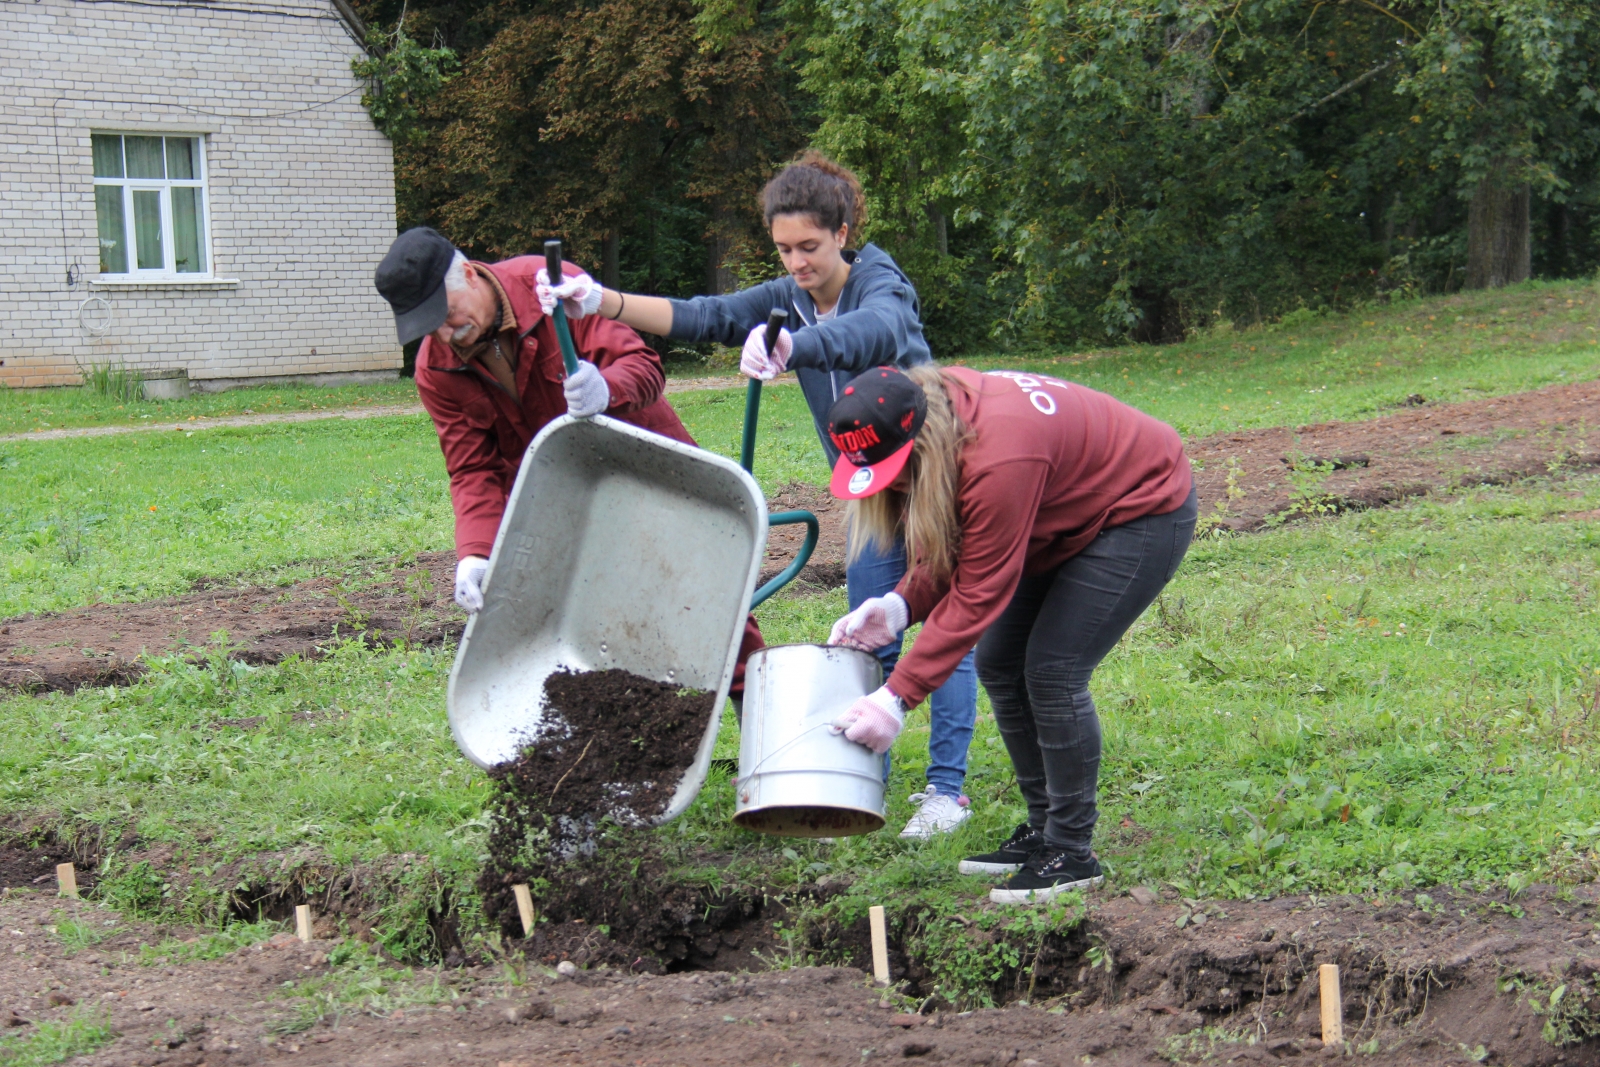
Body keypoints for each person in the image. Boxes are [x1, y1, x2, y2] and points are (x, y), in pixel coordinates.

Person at [536, 153, 981, 839]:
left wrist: (793, 348)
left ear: (842, 230)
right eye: (784, 249)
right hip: (869, 496)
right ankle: (867, 781)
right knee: (872, 634)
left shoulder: (879, 284)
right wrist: (602, 300)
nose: (798, 262)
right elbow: (704, 315)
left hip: (928, 485)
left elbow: (875, 334)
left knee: (946, 632)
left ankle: (946, 792)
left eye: (809, 246)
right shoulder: (789, 296)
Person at [823, 366, 1197, 904]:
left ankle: (1071, 851)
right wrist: (899, 605)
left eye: (899, 473)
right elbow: (961, 542)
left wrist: (895, 699)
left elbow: (979, 590)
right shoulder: (938, 415)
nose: (898, 487)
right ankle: (1044, 830)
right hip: (1058, 510)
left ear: (921, 442)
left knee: (1053, 670)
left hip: (1138, 507)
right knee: (1000, 662)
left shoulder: (999, 457)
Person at [373, 226, 762, 689]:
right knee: (601, 629)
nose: (444, 332)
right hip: (566, 501)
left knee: (714, 600)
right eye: (428, 325)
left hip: (650, 470)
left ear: (469, 274)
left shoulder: (552, 289)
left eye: (445, 312)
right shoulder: (436, 370)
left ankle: (760, 734)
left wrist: (607, 388)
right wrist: (474, 552)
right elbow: (473, 467)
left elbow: (644, 368)